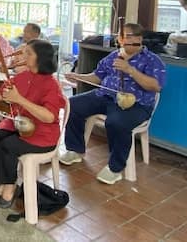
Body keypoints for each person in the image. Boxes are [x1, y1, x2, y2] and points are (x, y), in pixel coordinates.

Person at [0, 40, 66, 208]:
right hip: (20, 126)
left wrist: (19, 99)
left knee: (8, 145)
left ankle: (9, 186)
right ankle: (1, 180)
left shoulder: (51, 84)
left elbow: (49, 117)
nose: (23, 56)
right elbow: (0, 93)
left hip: (43, 134)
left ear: (40, 58)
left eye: (28, 53)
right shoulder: (24, 76)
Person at [60, 23, 166, 185]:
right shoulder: (114, 56)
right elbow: (97, 77)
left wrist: (130, 70)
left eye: (128, 36)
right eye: (121, 36)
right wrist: (78, 77)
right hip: (105, 96)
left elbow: (155, 86)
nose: (122, 40)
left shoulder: (152, 60)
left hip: (136, 104)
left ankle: (115, 168)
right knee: (72, 104)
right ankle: (75, 150)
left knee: (116, 122)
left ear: (139, 39)